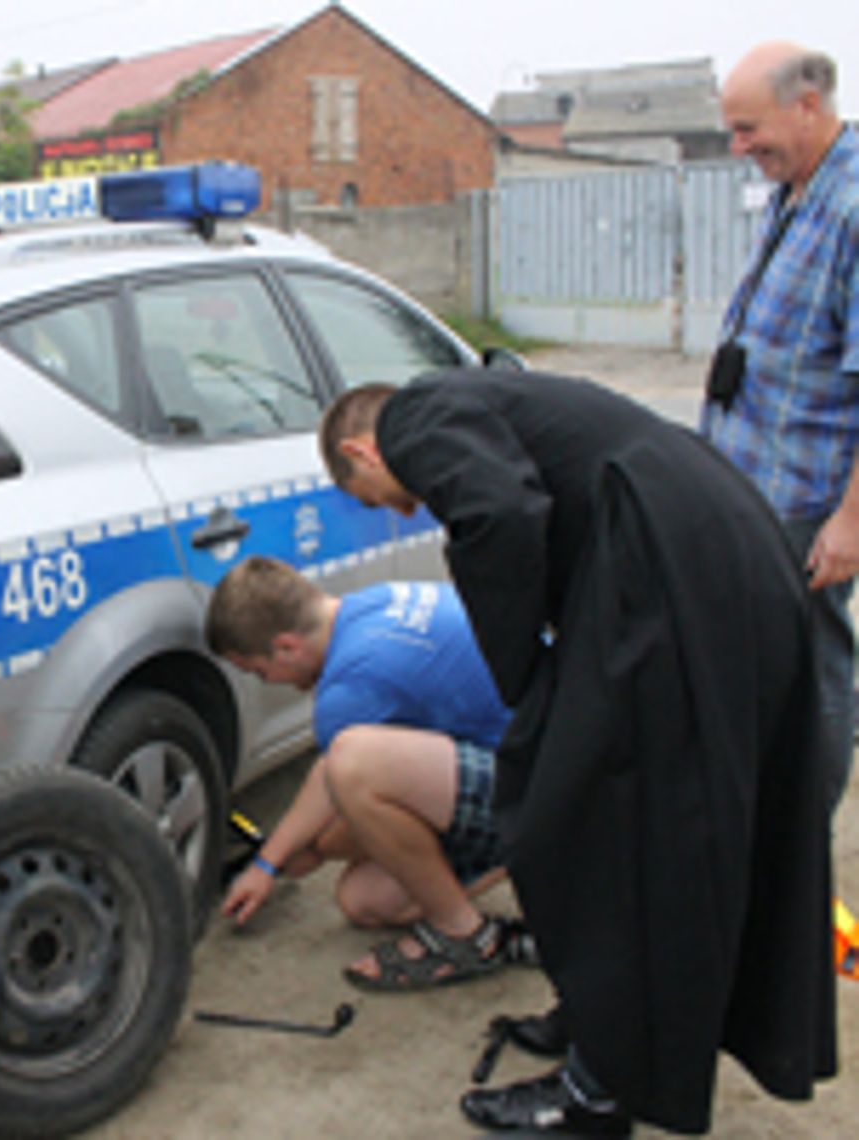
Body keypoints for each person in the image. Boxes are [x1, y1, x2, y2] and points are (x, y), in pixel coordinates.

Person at [320, 373, 836, 1135]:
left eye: (376, 497)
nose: (405, 510)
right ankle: (603, 1023)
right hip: (710, 561)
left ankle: (599, 1091)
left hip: (678, 578)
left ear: (362, 450)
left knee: (601, 828)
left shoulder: (416, 415)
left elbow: (500, 510)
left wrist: (528, 678)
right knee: (641, 827)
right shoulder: (491, 403)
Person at [205, 555, 531, 990]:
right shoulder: (372, 605)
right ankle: (525, 851)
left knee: (351, 776)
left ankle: (464, 934)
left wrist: (302, 854)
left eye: (261, 673)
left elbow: (340, 780)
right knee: (365, 900)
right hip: (552, 751)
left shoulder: (350, 684)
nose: (271, 683)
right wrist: (270, 862)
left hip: (549, 776)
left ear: (286, 647)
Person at [700, 43, 859, 813]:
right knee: (759, 667)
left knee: (811, 671)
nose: (739, 148)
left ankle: (802, 841)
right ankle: (763, 819)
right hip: (754, 487)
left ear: (808, 106)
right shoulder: (798, 191)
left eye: (748, 128)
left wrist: (852, 520)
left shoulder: (853, 207)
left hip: (807, 505)